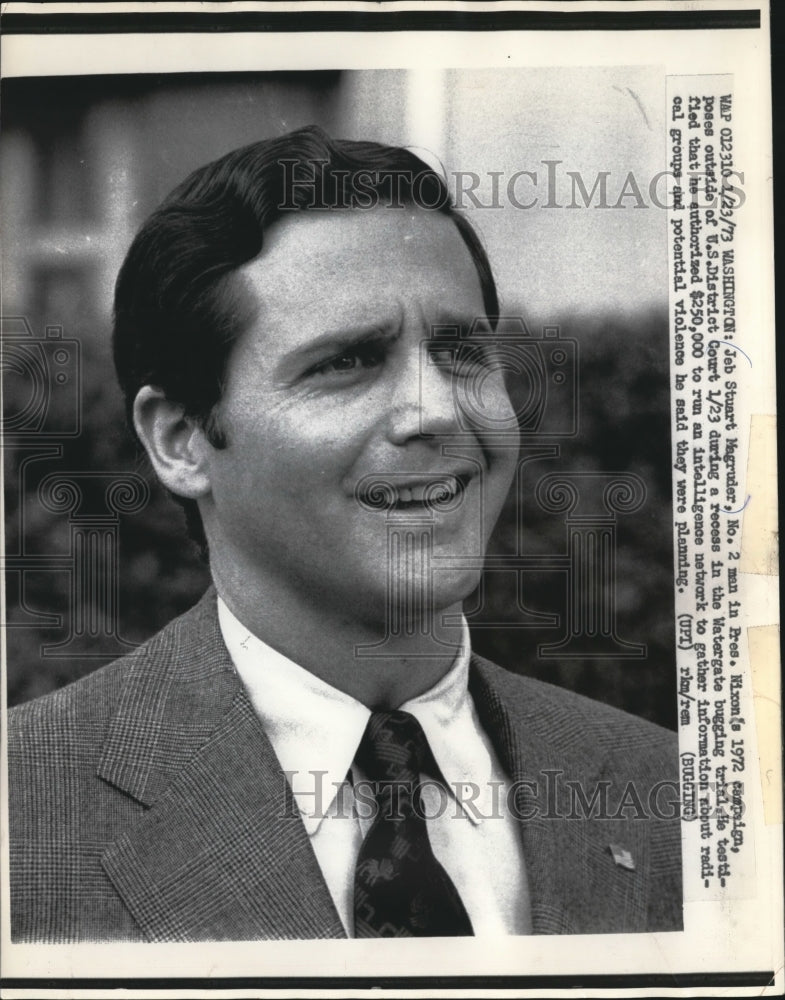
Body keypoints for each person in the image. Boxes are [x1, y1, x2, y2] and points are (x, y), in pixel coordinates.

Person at [7, 126, 682, 941]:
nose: (434, 410)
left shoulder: (670, 795)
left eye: (461, 351)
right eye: (347, 363)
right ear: (180, 439)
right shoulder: (27, 812)